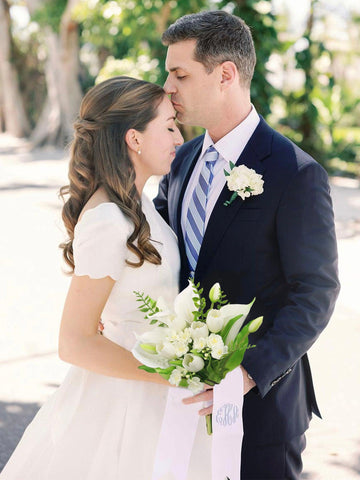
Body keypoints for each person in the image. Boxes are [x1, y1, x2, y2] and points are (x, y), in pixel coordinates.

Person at [154, 10, 340, 480]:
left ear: (226, 74)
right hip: (180, 401)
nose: (168, 87)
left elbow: (315, 293)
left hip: (261, 407)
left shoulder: (295, 173)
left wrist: (247, 374)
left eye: (179, 74)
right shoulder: (183, 160)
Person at [0, 76, 212, 479]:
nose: (179, 137)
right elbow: (74, 341)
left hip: (156, 390)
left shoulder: (139, 203)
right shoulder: (107, 219)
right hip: (124, 399)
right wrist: (170, 372)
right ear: (134, 139)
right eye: (168, 125)